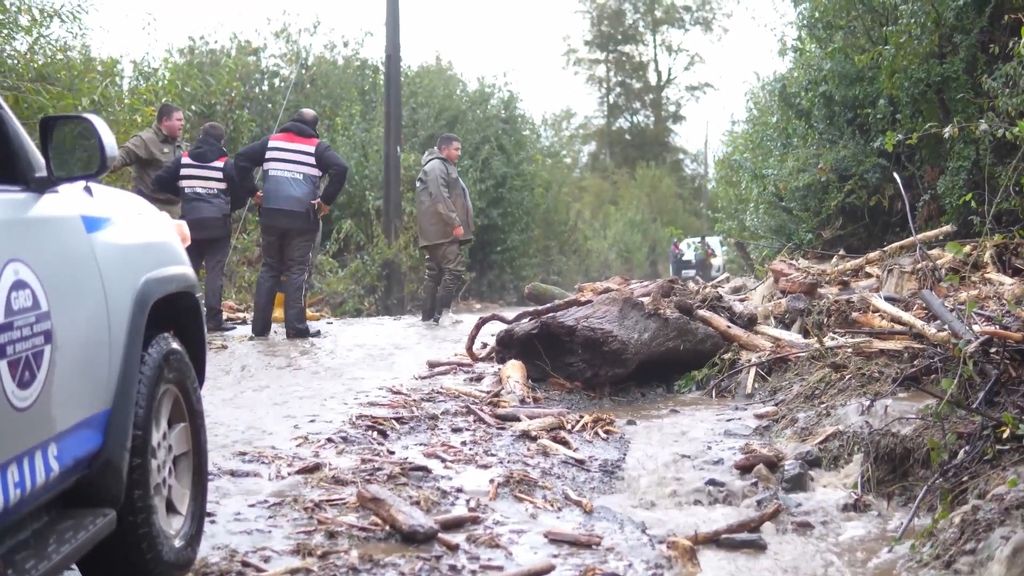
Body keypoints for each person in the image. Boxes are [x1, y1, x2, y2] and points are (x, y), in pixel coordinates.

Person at [234, 108, 348, 339]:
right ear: (314, 126)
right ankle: (295, 328)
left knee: (270, 268)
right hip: (302, 217)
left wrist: (253, 193)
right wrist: (325, 201)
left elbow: (241, 159)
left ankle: (259, 328)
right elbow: (341, 168)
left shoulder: (270, 143)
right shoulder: (318, 147)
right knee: (297, 270)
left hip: (271, 214)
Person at [152, 122, 247, 332]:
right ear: (221, 141)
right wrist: (228, 207)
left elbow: (158, 181)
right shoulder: (225, 164)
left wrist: (182, 194)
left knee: (188, 272)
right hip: (217, 226)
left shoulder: (183, 160)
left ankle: (183, 319)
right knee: (214, 273)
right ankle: (213, 320)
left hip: (190, 224)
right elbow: (241, 193)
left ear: (200, 136)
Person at [415, 133, 474, 325]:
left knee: (435, 273)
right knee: (454, 270)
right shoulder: (436, 166)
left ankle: (429, 317)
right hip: (441, 231)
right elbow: (439, 196)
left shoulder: (440, 166)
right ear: (444, 149)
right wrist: (454, 222)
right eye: (456, 149)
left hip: (437, 231)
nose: (459, 153)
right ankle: (443, 315)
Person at [110, 102, 186, 217]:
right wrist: (103, 164)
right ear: (165, 121)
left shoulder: (180, 145)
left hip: (176, 211)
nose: (183, 124)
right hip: (150, 209)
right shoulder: (146, 140)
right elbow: (122, 155)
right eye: (179, 120)